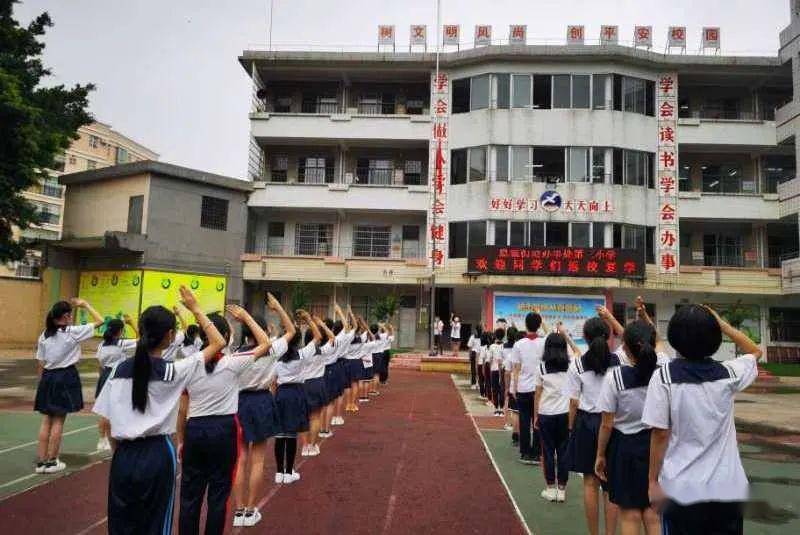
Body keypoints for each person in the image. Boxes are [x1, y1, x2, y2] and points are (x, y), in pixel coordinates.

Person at [93, 286, 225, 535]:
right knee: (155, 525)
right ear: (169, 335)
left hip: (124, 455)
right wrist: (195, 308)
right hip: (157, 455)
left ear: (141, 331)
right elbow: (218, 342)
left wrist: (120, 451)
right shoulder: (173, 371)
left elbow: (107, 422)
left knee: (121, 524)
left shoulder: (118, 370)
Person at [643, 304, 762, 535]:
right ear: (714, 337)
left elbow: (660, 433)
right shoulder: (730, 373)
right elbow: (755, 352)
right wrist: (722, 325)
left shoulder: (664, 377)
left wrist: (652, 481)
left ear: (674, 337)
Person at [177, 305, 272, 535]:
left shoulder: (189, 363)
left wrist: (181, 439)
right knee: (219, 496)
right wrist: (246, 317)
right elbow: (265, 344)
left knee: (190, 495)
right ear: (226, 337)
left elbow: (182, 409)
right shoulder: (233, 362)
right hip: (223, 430)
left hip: (195, 429)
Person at [595, 312, 667, 535]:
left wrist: (600, 454)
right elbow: (659, 342)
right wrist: (645, 318)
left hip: (624, 448)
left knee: (630, 513)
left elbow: (607, 424)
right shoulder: (664, 371)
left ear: (624, 348)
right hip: (655, 446)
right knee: (653, 512)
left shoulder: (614, 378)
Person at [232, 293, 295, 527]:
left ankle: (239, 511)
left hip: (239, 403)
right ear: (262, 330)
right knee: (257, 460)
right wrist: (278, 307)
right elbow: (290, 331)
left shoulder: (237, 353)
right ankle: (250, 510)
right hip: (261, 402)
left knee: (241, 459)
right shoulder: (271, 349)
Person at [563, 307, 624, 535]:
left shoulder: (577, 365)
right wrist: (609, 317)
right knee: (610, 486)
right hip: (615, 424)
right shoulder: (620, 361)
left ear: (585, 338)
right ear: (609, 336)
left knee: (590, 482)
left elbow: (573, 403)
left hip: (587, 424)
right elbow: (627, 337)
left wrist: (571, 428)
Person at [35, 298, 104, 474]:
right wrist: (86, 305)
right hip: (64, 376)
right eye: (70, 314)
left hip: (47, 377)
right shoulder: (71, 332)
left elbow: (40, 362)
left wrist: (42, 383)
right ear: (65, 316)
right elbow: (100, 321)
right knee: (58, 419)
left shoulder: (44, 334)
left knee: (46, 420)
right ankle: (51, 461)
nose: (71, 317)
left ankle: (41, 462)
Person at [268, 309, 320, 484]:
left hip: (281, 394)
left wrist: (273, 399)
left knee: (280, 434)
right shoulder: (302, 354)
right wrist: (309, 320)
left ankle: (279, 472)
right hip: (296, 393)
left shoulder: (277, 357)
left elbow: (273, 382)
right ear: (298, 341)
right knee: (291, 435)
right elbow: (318, 337)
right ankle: (289, 471)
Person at [533, 329, 572, 502]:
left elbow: (537, 394)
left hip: (546, 413)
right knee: (563, 451)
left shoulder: (541, 367)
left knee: (547, 451)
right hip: (565, 414)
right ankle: (562, 490)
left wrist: (536, 417)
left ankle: (550, 488)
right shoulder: (571, 367)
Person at [95, 315, 138, 452]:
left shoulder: (101, 345)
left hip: (104, 375)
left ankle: (102, 440)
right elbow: (142, 340)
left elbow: (99, 364)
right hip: (116, 376)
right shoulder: (120, 343)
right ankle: (113, 438)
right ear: (120, 331)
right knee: (114, 410)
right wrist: (132, 323)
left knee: (103, 410)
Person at [510, 311, 547, 465]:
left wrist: (514, 388)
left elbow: (516, 369)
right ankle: (537, 451)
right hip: (540, 387)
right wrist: (542, 320)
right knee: (538, 419)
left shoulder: (519, 344)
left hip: (523, 387)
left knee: (524, 420)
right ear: (539, 326)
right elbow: (550, 333)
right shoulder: (544, 342)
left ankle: (525, 452)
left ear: (525, 325)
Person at [300, 314, 328, 457]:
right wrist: (319, 324)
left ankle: (305, 446)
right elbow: (332, 339)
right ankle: (313, 444)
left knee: (304, 417)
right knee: (316, 417)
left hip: (304, 385)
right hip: (317, 383)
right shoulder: (323, 351)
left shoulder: (302, 353)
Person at [502, 327, 519, 440]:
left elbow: (507, 372)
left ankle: (512, 427)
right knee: (523, 412)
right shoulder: (521, 350)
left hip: (514, 384)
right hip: (528, 386)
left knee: (514, 410)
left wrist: (507, 387)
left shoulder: (508, 350)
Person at [488, 329, 505, 416]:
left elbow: (489, 359)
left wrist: (490, 368)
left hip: (494, 370)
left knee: (495, 389)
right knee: (502, 389)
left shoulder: (492, 346)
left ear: (495, 335)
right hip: (502, 370)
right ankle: (501, 409)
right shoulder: (504, 346)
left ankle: (496, 408)